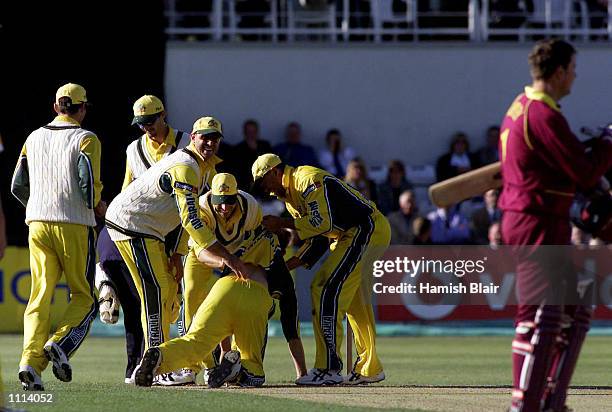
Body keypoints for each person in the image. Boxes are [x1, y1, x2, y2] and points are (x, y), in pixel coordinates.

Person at [499, 39, 612, 412]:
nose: (575, 76)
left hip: (538, 219)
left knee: (576, 304)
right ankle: (525, 403)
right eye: (574, 69)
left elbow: (566, 165)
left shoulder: (521, 106)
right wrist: (606, 145)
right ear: (560, 70)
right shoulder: (542, 115)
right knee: (537, 314)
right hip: (535, 222)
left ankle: (552, 398)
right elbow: (584, 171)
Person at [105, 116, 249, 362]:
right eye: (205, 137)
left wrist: (178, 254)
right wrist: (229, 258)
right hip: (132, 225)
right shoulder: (186, 167)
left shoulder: (206, 169)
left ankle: (163, 360)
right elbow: (191, 221)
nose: (210, 143)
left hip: (150, 229)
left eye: (215, 138)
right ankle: (155, 360)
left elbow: (191, 218)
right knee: (156, 292)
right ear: (192, 137)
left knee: (168, 293)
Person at [252, 153, 391, 385]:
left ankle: (329, 368)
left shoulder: (307, 180)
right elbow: (317, 239)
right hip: (350, 235)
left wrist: (282, 223)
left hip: (365, 230)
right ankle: (370, 367)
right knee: (356, 303)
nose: (264, 190)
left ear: (275, 172)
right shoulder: (290, 198)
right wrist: (288, 266)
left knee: (326, 289)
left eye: (263, 182)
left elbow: (321, 223)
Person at [11, 83, 105, 390]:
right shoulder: (86, 138)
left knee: (39, 297)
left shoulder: (32, 137)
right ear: (82, 109)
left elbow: (17, 185)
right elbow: (88, 186)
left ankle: (30, 363)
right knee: (84, 297)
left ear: (55, 107)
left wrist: (39, 206)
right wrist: (97, 205)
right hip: (73, 223)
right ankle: (61, 344)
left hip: (36, 222)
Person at [171, 173, 307, 383]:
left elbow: (254, 251)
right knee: (192, 295)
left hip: (238, 260)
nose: (225, 208)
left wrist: (233, 263)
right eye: (220, 202)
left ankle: (234, 364)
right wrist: (226, 262)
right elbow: (200, 252)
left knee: (230, 308)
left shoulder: (251, 210)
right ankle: (210, 366)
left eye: (229, 202)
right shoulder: (202, 209)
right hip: (206, 253)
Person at [97, 95, 191, 384]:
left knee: (179, 299)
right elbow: (128, 192)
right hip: (143, 232)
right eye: (141, 123)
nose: (146, 128)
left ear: (164, 115)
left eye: (150, 121)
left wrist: (179, 250)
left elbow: (192, 203)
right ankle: (147, 365)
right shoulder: (133, 149)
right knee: (146, 299)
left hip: (178, 230)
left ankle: (181, 364)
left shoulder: (187, 143)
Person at [230, 119, 273, 191]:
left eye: (253, 132)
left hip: (265, 186)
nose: (251, 135)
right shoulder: (237, 149)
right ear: (244, 133)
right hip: (246, 186)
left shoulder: (265, 146)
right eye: (249, 132)